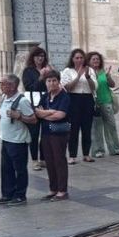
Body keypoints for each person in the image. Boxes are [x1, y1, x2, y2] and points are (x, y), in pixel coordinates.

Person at [0, 73, 36, 207]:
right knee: (6, 168)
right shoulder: (4, 97)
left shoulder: (22, 101)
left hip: (18, 141)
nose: (0, 86)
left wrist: (19, 116)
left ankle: (20, 195)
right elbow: (3, 112)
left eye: (3, 83)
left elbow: (33, 119)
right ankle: (7, 193)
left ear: (12, 86)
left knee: (19, 169)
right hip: (6, 138)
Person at [33, 71, 72, 201]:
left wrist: (45, 114)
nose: (51, 83)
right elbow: (37, 112)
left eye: (54, 80)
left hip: (59, 133)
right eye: (49, 81)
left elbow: (60, 115)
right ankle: (53, 188)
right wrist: (50, 112)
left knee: (59, 160)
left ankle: (62, 190)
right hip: (45, 133)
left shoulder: (64, 97)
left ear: (58, 81)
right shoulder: (45, 96)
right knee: (49, 161)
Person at [60, 48, 97, 164]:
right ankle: (72, 155)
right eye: (77, 58)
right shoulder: (67, 71)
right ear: (72, 59)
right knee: (73, 129)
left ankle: (86, 154)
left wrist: (87, 77)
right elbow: (67, 87)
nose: (79, 60)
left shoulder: (90, 70)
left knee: (87, 128)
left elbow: (94, 87)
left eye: (81, 58)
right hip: (73, 99)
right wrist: (77, 77)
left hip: (87, 99)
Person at [86, 51, 119, 159]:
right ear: (89, 61)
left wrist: (108, 76)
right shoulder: (87, 73)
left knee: (111, 126)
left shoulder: (103, 71)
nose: (96, 61)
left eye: (97, 59)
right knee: (96, 128)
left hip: (106, 101)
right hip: (94, 104)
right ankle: (98, 150)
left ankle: (115, 149)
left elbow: (112, 85)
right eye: (93, 59)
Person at [21, 46, 51, 171]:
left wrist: (49, 74)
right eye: (38, 56)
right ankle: (34, 160)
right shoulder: (28, 71)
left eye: (42, 56)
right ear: (33, 57)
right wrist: (40, 77)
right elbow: (30, 87)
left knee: (45, 133)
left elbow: (53, 84)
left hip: (45, 103)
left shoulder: (48, 70)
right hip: (33, 105)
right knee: (34, 133)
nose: (40, 58)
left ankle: (43, 158)